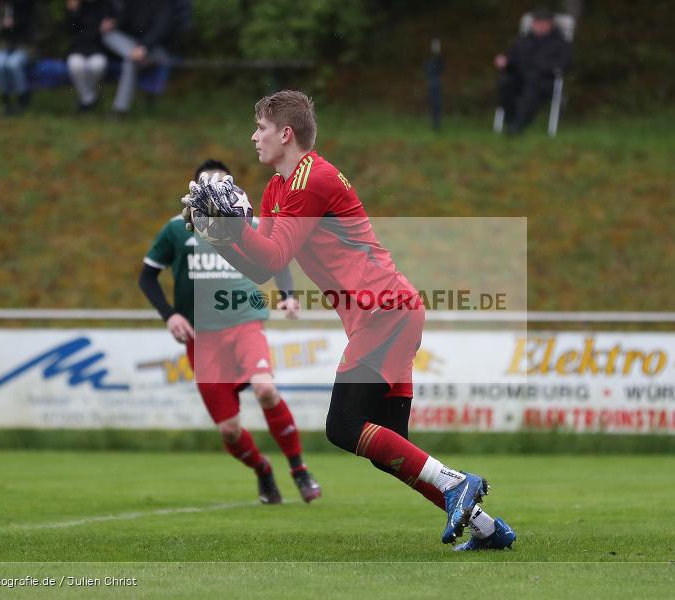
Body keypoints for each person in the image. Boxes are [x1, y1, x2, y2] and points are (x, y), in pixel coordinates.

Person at [182, 91, 516, 550]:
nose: (253, 135)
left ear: (286, 133)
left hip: (385, 311)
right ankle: (487, 529)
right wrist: (216, 234)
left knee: (343, 426)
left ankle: (459, 485)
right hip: (385, 314)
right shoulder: (280, 187)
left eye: (260, 127)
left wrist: (230, 224)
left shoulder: (310, 179)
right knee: (392, 447)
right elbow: (264, 267)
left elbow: (275, 252)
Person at [140, 158, 321, 505]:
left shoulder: (247, 224)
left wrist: (288, 297)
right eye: (207, 185)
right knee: (230, 430)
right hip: (202, 337)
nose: (215, 192)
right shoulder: (177, 229)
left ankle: (299, 469)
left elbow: (277, 260)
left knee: (266, 390)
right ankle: (263, 470)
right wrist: (169, 315)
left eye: (221, 184)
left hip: (244, 324)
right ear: (194, 193)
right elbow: (147, 275)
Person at [494, 7, 571, 135]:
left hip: (543, 79)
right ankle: (511, 120)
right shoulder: (522, 40)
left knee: (532, 88)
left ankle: (517, 126)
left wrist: (543, 68)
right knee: (504, 82)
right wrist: (505, 62)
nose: (539, 25)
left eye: (543, 23)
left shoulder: (560, 43)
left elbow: (565, 64)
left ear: (550, 25)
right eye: (537, 22)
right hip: (520, 77)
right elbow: (512, 59)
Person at [102, 0, 172, 117]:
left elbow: (161, 30)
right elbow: (124, 23)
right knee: (109, 36)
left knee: (130, 62)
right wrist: (113, 23)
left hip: (156, 51)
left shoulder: (164, 4)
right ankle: (134, 55)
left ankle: (120, 111)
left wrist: (144, 47)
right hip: (133, 49)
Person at [66, 0, 115, 112]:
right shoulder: (76, 6)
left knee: (97, 66)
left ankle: (85, 100)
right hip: (78, 49)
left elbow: (112, 27)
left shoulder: (107, 6)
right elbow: (70, 31)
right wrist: (73, 12)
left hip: (97, 49)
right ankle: (89, 98)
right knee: (75, 65)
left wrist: (107, 28)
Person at [0, 0, 38, 116]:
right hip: (6, 46)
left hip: (26, 47)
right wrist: (3, 25)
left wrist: (29, 34)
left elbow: (44, 30)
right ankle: (5, 101)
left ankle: (22, 99)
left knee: (13, 63)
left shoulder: (34, 6)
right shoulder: (4, 6)